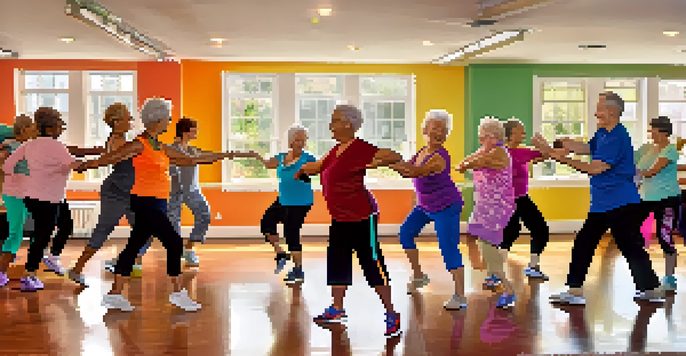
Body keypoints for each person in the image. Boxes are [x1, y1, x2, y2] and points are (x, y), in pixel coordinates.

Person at [77, 98, 233, 311]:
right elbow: (112, 157)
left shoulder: (159, 146)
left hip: (159, 202)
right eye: (167, 118)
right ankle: (178, 292)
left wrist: (224, 156)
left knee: (132, 248)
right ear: (157, 119)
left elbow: (188, 160)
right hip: (145, 202)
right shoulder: (139, 143)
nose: (170, 121)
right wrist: (86, 165)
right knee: (175, 243)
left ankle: (114, 293)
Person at [531, 91, 664, 305]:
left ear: (612, 112)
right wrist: (565, 144)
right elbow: (587, 148)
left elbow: (594, 168)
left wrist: (559, 157)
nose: (595, 113)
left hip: (621, 203)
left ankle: (650, 289)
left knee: (629, 246)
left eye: (599, 109)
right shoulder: (603, 133)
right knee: (584, 243)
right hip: (602, 204)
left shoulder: (618, 137)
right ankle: (575, 291)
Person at [296, 104, 403, 338]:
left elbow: (393, 156)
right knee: (337, 262)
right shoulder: (337, 150)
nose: (330, 125)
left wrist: (373, 163)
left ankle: (391, 313)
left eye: (334, 120)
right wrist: (302, 168)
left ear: (348, 124)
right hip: (340, 218)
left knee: (372, 264)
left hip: (362, 217)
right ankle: (337, 309)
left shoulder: (360, 148)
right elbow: (319, 167)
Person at [389, 110, 466, 310]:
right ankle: (418, 276)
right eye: (435, 128)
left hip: (446, 206)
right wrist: (387, 161)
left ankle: (460, 296)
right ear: (425, 129)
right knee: (405, 233)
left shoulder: (440, 157)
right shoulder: (422, 151)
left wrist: (389, 163)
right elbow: (407, 166)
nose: (439, 133)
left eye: (444, 130)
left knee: (448, 248)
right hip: (425, 205)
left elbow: (415, 172)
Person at [2, 107, 83, 291]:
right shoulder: (55, 145)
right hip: (46, 198)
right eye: (60, 125)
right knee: (41, 236)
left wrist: (20, 178)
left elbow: (7, 166)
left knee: (65, 225)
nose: (61, 128)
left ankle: (52, 257)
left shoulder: (29, 145)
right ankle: (29, 275)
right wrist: (95, 163)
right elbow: (74, 165)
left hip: (44, 196)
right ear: (52, 127)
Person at [68, 103, 136, 286]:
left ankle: (121, 261)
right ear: (116, 122)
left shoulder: (119, 139)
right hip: (117, 192)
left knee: (145, 229)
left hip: (129, 191)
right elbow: (107, 159)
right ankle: (77, 269)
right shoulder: (120, 142)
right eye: (127, 118)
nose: (130, 120)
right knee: (103, 230)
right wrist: (86, 164)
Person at [456, 117, 517, 309]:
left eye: (484, 137)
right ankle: (493, 275)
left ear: (495, 136)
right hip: (484, 205)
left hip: (497, 205)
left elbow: (482, 161)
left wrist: (466, 165)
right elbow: (470, 159)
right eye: (480, 138)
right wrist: (465, 163)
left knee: (486, 240)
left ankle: (507, 289)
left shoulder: (499, 152)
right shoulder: (486, 149)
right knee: (481, 237)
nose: (481, 141)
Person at [247, 124, 316, 282]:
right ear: (291, 140)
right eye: (298, 140)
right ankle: (280, 252)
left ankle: (298, 270)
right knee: (266, 223)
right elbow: (266, 164)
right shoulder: (281, 157)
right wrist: (256, 156)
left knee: (291, 234)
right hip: (283, 200)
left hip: (300, 202)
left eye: (303, 140)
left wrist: (305, 172)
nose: (301, 143)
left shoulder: (308, 158)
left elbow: (319, 169)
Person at [499, 118, 551, 280]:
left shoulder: (511, 152)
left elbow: (541, 157)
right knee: (516, 233)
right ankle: (496, 272)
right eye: (520, 130)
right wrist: (541, 143)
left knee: (532, 230)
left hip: (519, 199)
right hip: (512, 201)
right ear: (510, 134)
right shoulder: (517, 152)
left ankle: (532, 267)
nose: (524, 132)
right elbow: (548, 153)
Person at [635, 116, 680, 291]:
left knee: (665, 237)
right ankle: (643, 272)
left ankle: (669, 278)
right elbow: (631, 160)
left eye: (653, 129)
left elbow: (653, 170)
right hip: (646, 199)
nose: (650, 133)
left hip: (667, 199)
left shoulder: (670, 150)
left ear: (663, 131)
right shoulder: (646, 148)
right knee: (631, 231)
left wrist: (636, 173)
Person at [165, 117, 213, 267]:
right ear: (185, 132)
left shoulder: (193, 150)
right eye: (194, 130)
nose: (196, 132)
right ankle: (175, 254)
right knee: (173, 226)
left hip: (193, 191)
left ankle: (189, 248)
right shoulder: (171, 150)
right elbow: (172, 171)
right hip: (176, 192)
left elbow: (207, 156)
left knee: (204, 214)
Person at [0, 115, 36, 286]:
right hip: (15, 195)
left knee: (38, 230)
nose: (35, 132)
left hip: (29, 193)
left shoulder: (30, 146)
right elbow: (2, 156)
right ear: (23, 130)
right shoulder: (11, 145)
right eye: (32, 128)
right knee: (15, 233)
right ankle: (1, 271)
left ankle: (29, 271)